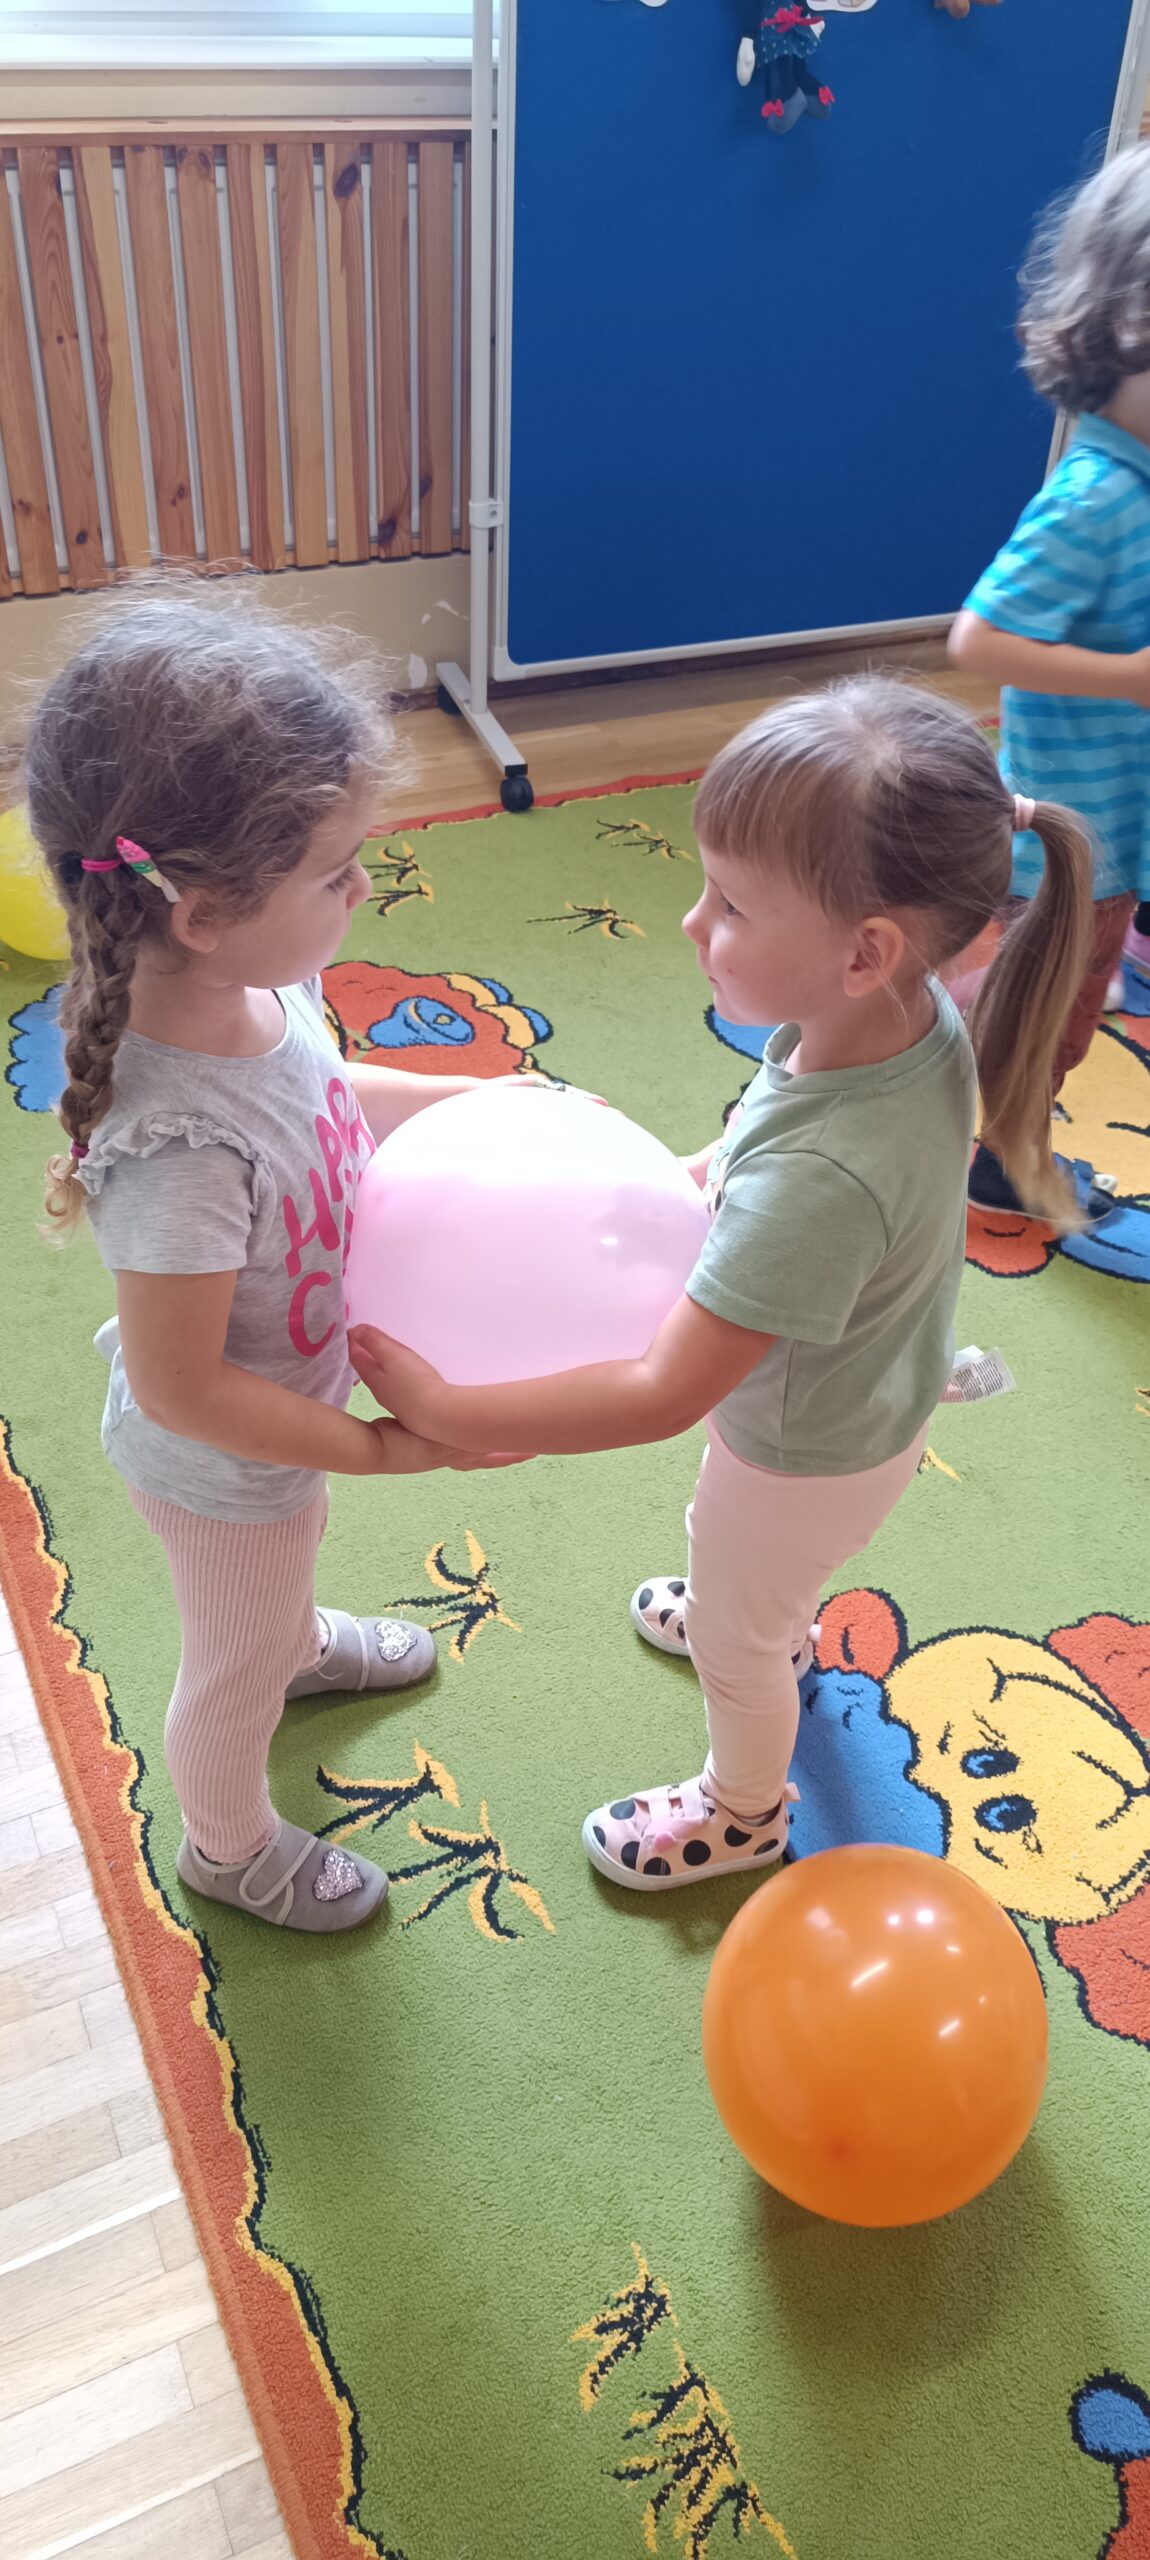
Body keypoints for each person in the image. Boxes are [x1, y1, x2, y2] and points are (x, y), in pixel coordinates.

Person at [351, 677, 1095, 1892]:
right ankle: (757, 1607)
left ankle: (742, 1812)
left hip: (804, 1448)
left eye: (733, 904)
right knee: (745, 1577)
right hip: (862, 1394)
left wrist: (448, 1407)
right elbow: (762, 1133)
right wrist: (676, 1180)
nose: (694, 923)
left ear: (864, 951)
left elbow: (661, 1388)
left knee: (740, 1642)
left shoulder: (823, 1178)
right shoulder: (890, 1022)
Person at [29, 593, 513, 1934]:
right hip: (225, 1466)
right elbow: (184, 1389)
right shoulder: (178, 1145)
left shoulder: (254, 988)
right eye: (337, 870)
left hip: (281, 1427)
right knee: (227, 1668)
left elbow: (328, 1091)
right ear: (199, 911)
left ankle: (294, 1641)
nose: (363, 888)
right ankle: (228, 1849)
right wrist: (367, 1451)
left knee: (279, 1585)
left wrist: (473, 1097)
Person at [950, 141, 1150, 1220]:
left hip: (1118, 824)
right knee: (1050, 1015)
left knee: (1064, 991)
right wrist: (1128, 676)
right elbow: (979, 639)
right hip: (1073, 834)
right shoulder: (1094, 499)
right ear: (1126, 333)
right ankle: (1002, 1160)